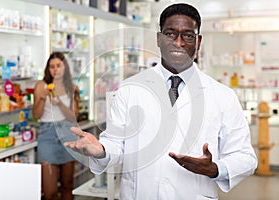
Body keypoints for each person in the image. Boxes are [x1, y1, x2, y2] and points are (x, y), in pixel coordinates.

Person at [65, 3, 257, 199]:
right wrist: (101, 150)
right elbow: (116, 144)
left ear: (198, 42)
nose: (179, 42)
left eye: (188, 35)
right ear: (159, 38)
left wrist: (215, 169)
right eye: (170, 34)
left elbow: (245, 157)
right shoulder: (130, 88)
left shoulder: (222, 96)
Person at [33, 52, 79, 200]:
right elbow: (36, 116)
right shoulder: (41, 86)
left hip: (68, 133)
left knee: (67, 185)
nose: (55, 70)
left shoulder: (72, 87)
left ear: (65, 67)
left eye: (58, 66)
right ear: (48, 69)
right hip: (47, 135)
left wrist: (59, 103)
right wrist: (41, 98)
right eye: (52, 67)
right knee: (50, 191)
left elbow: (73, 117)